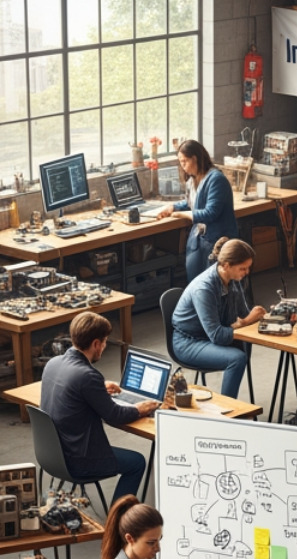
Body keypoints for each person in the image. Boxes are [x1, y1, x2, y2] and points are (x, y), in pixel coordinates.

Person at [39, 311, 159, 503]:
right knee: (136, 463)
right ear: (96, 343)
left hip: (51, 454)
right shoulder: (87, 376)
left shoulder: (53, 363)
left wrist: (97, 389)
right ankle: (117, 517)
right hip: (77, 459)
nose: (104, 347)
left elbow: (72, 388)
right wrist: (141, 408)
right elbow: (115, 415)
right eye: (104, 342)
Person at [170, 237, 266, 399]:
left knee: (244, 346)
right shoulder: (204, 289)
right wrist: (246, 321)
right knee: (237, 359)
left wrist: (265, 318)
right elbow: (217, 336)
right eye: (243, 268)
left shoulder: (233, 279)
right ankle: (228, 408)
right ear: (226, 266)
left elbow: (243, 313)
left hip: (209, 335)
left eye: (248, 268)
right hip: (189, 342)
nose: (247, 272)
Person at [155, 140, 238, 282]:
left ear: (195, 159)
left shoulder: (216, 180)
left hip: (217, 240)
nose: (182, 166)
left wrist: (182, 214)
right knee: (195, 281)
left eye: (184, 161)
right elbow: (192, 202)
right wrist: (173, 207)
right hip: (199, 239)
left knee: (214, 282)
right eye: (180, 162)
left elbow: (210, 213)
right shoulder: (192, 180)